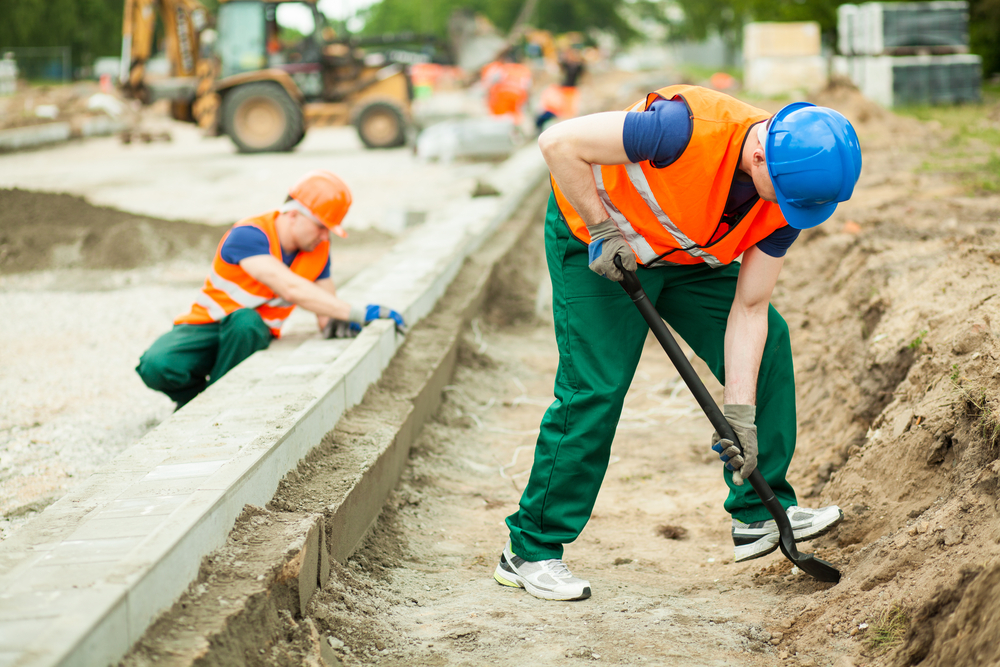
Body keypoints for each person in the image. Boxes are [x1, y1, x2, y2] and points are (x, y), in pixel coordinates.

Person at [493, 85, 862, 601]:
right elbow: (557, 143)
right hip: (599, 244)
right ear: (761, 154)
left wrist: (741, 416)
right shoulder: (680, 129)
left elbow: (750, 308)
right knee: (596, 387)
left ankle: (759, 512)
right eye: (783, 195)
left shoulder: (791, 194)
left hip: (685, 258)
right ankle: (530, 548)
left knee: (771, 342)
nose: (786, 207)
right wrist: (601, 228)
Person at [136, 170, 405, 409]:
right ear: (293, 214)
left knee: (246, 322)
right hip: (208, 324)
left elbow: (325, 306)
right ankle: (195, 401)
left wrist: (342, 322)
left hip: (249, 334)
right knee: (155, 365)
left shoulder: (318, 249)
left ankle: (213, 407)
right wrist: (359, 312)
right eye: (321, 226)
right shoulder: (249, 235)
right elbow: (289, 288)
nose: (326, 236)